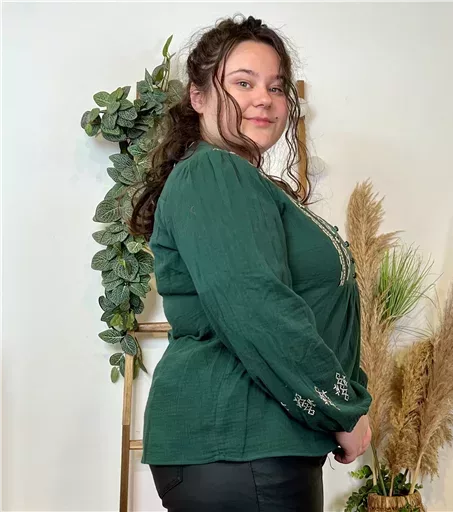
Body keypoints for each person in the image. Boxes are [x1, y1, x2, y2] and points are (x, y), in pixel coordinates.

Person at [130, 14, 372, 512]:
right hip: (240, 445)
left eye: (276, 87)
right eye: (243, 83)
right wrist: (343, 410)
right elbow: (257, 305)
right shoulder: (215, 171)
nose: (264, 98)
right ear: (198, 97)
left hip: (252, 448)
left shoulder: (244, 182)